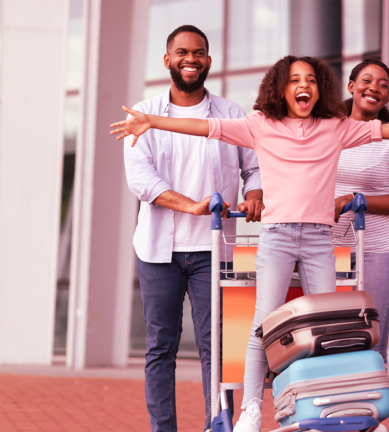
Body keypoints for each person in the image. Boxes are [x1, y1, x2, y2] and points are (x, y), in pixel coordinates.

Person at [110, 54, 389, 432]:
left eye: (311, 80)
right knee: (261, 326)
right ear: (281, 88)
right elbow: (206, 127)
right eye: (296, 79)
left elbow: (386, 132)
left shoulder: (336, 127)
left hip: (319, 239)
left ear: (321, 89)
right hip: (277, 237)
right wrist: (151, 121)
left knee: (329, 327)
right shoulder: (260, 125)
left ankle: (334, 405)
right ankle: (251, 409)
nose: (304, 86)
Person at [122, 25, 263, 432]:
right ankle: (162, 428)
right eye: (182, 52)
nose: (191, 59)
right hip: (157, 251)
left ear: (209, 61)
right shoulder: (143, 114)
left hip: (213, 250)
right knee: (160, 348)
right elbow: (142, 181)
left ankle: (216, 425)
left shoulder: (233, 114)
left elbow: (253, 168)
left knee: (217, 348)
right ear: (167, 60)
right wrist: (193, 206)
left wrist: (254, 194)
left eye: (199, 52)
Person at [333, 60, 389, 366]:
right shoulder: (326, 130)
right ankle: (335, 412)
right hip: (327, 249)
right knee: (330, 340)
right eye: (367, 80)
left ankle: (369, 413)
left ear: (388, 97)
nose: (374, 88)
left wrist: (356, 200)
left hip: (379, 252)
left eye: (383, 85)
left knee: (370, 343)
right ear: (352, 86)